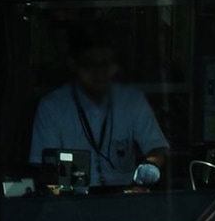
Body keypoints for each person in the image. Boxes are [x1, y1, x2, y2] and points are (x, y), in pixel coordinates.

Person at [29, 32, 168, 191]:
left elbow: (157, 147)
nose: (99, 72)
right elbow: (44, 166)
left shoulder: (132, 101)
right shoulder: (52, 106)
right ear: (74, 64)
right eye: (89, 64)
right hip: (72, 201)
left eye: (105, 64)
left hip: (124, 196)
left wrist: (149, 169)